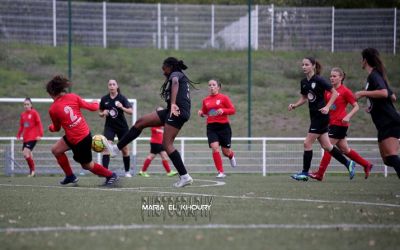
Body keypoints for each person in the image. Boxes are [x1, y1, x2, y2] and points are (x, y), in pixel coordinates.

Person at [104, 57, 195, 187]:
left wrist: (174, 103)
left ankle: (185, 176)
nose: (163, 72)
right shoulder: (178, 74)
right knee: (140, 122)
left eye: (164, 69)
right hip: (172, 110)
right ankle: (116, 148)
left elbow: (175, 82)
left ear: (170, 67)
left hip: (176, 111)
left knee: (167, 144)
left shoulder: (175, 74)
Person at [288, 57, 356, 181]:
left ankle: (304, 173)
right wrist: (295, 105)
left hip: (321, 117)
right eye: (302, 64)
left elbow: (335, 93)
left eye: (307, 64)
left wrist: (327, 106)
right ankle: (348, 163)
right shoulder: (304, 82)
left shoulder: (319, 80)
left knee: (307, 143)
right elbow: (305, 97)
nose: (304, 67)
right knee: (327, 146)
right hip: (314, 116)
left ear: (313, 66)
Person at [46, 75, 119, 186]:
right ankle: (70, 176)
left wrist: (50, 128)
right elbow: (93, 107)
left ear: (52, 93)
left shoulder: (53, 109)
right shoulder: (73, 97)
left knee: (87, 165)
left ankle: (111, 175)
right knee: (56, 150)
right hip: (75, 136)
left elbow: (56, 128)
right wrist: (95, 102)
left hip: (81, 139)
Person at [309, 67, 373, 181]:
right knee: (345, 149)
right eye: (330, 76)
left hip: (339, 124)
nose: (331, 78)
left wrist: (348, 116)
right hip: (330, 123)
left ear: (341, 77)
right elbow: (326, 106)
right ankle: (366, 164)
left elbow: (356, 106)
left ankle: (320, 174)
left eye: (334, 76)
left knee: (328, 147)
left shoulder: (345, 91)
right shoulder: (328, 91)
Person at [355, 48, 400, 179]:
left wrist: (363, 93)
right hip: (382, 123)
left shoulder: (374, 75)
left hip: (389, 121)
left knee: (391, 155)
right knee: (387, 160)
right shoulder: (376, 76)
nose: (361, 62)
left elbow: (385, 93)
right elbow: (393, 97)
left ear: (365, 60)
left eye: (361, 59)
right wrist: (373, 106)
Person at [198, 79, 237, 178]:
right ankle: (220, 172)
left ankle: (231, 155)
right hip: (211, 127)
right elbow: (206, 112)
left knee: (225, 152)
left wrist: (223, 110)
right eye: (209, 85)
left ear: (218, 87)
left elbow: (232, 110)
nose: (211, 86)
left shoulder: (224, 98)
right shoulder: (205, 100)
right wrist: (201, 113)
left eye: (213, 85)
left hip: (224, 127)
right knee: (215, 148)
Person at [99, 79, 133, 178]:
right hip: (110, 127)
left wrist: (122, 107)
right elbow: (100, 112)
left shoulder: (122, 98)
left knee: (125, 150)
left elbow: (131, 111)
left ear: (117, 86)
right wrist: (103, 113)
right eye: (110, 84)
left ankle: (127, 172)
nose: (112, 86)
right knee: (106, 147)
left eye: (114, 84)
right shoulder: (104, 99)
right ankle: (105, 172)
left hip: (122, 127)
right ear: (108, 87)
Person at [138, 108, 177, 177]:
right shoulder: (155, 119)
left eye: (162, 110)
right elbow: (154, 129)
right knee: (158, 156)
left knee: (157, 156)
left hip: (159, 142)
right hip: (156, 142)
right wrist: (162, 131)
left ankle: (143, 171)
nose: (161, 111)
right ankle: (168, 172)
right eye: (159, 110)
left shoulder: (162, 120)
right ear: (156, 111)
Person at [16, 98, 44, 177]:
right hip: (26, 138)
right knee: (28, 154)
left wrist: (40, 134)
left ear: (31, 105)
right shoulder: (23, 114)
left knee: (25, 153)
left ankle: (32, 171)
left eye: (28, 104)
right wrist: (19, 134)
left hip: (33, 137)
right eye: (24, 104)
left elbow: (39, 124)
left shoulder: (34, 113)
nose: (26, 106)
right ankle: (33, 171)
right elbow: (22, 126)